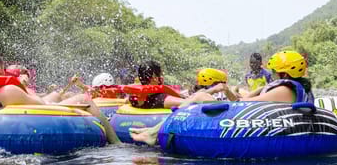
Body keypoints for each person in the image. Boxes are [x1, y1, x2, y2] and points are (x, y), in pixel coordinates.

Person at [129, 51, 314, 145]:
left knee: (201, 96)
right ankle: (153, 131)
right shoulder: (286, 86)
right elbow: (248, 98)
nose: (272, 73)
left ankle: (153, 133)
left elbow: (244, 104)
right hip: (256, 115)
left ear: (284, 73)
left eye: (275, 71)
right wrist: (227, 91)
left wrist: (223, 95)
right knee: (201, 95)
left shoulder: (285, 90)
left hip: (257, 122)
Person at [0, 52, 120, 144]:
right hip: (36, 111)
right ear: (0, 69)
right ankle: (117, 144)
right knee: (84, 99)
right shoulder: (11, 90)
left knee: (57, 94)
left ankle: (58, 94)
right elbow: (41, 104)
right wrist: (24, 87)